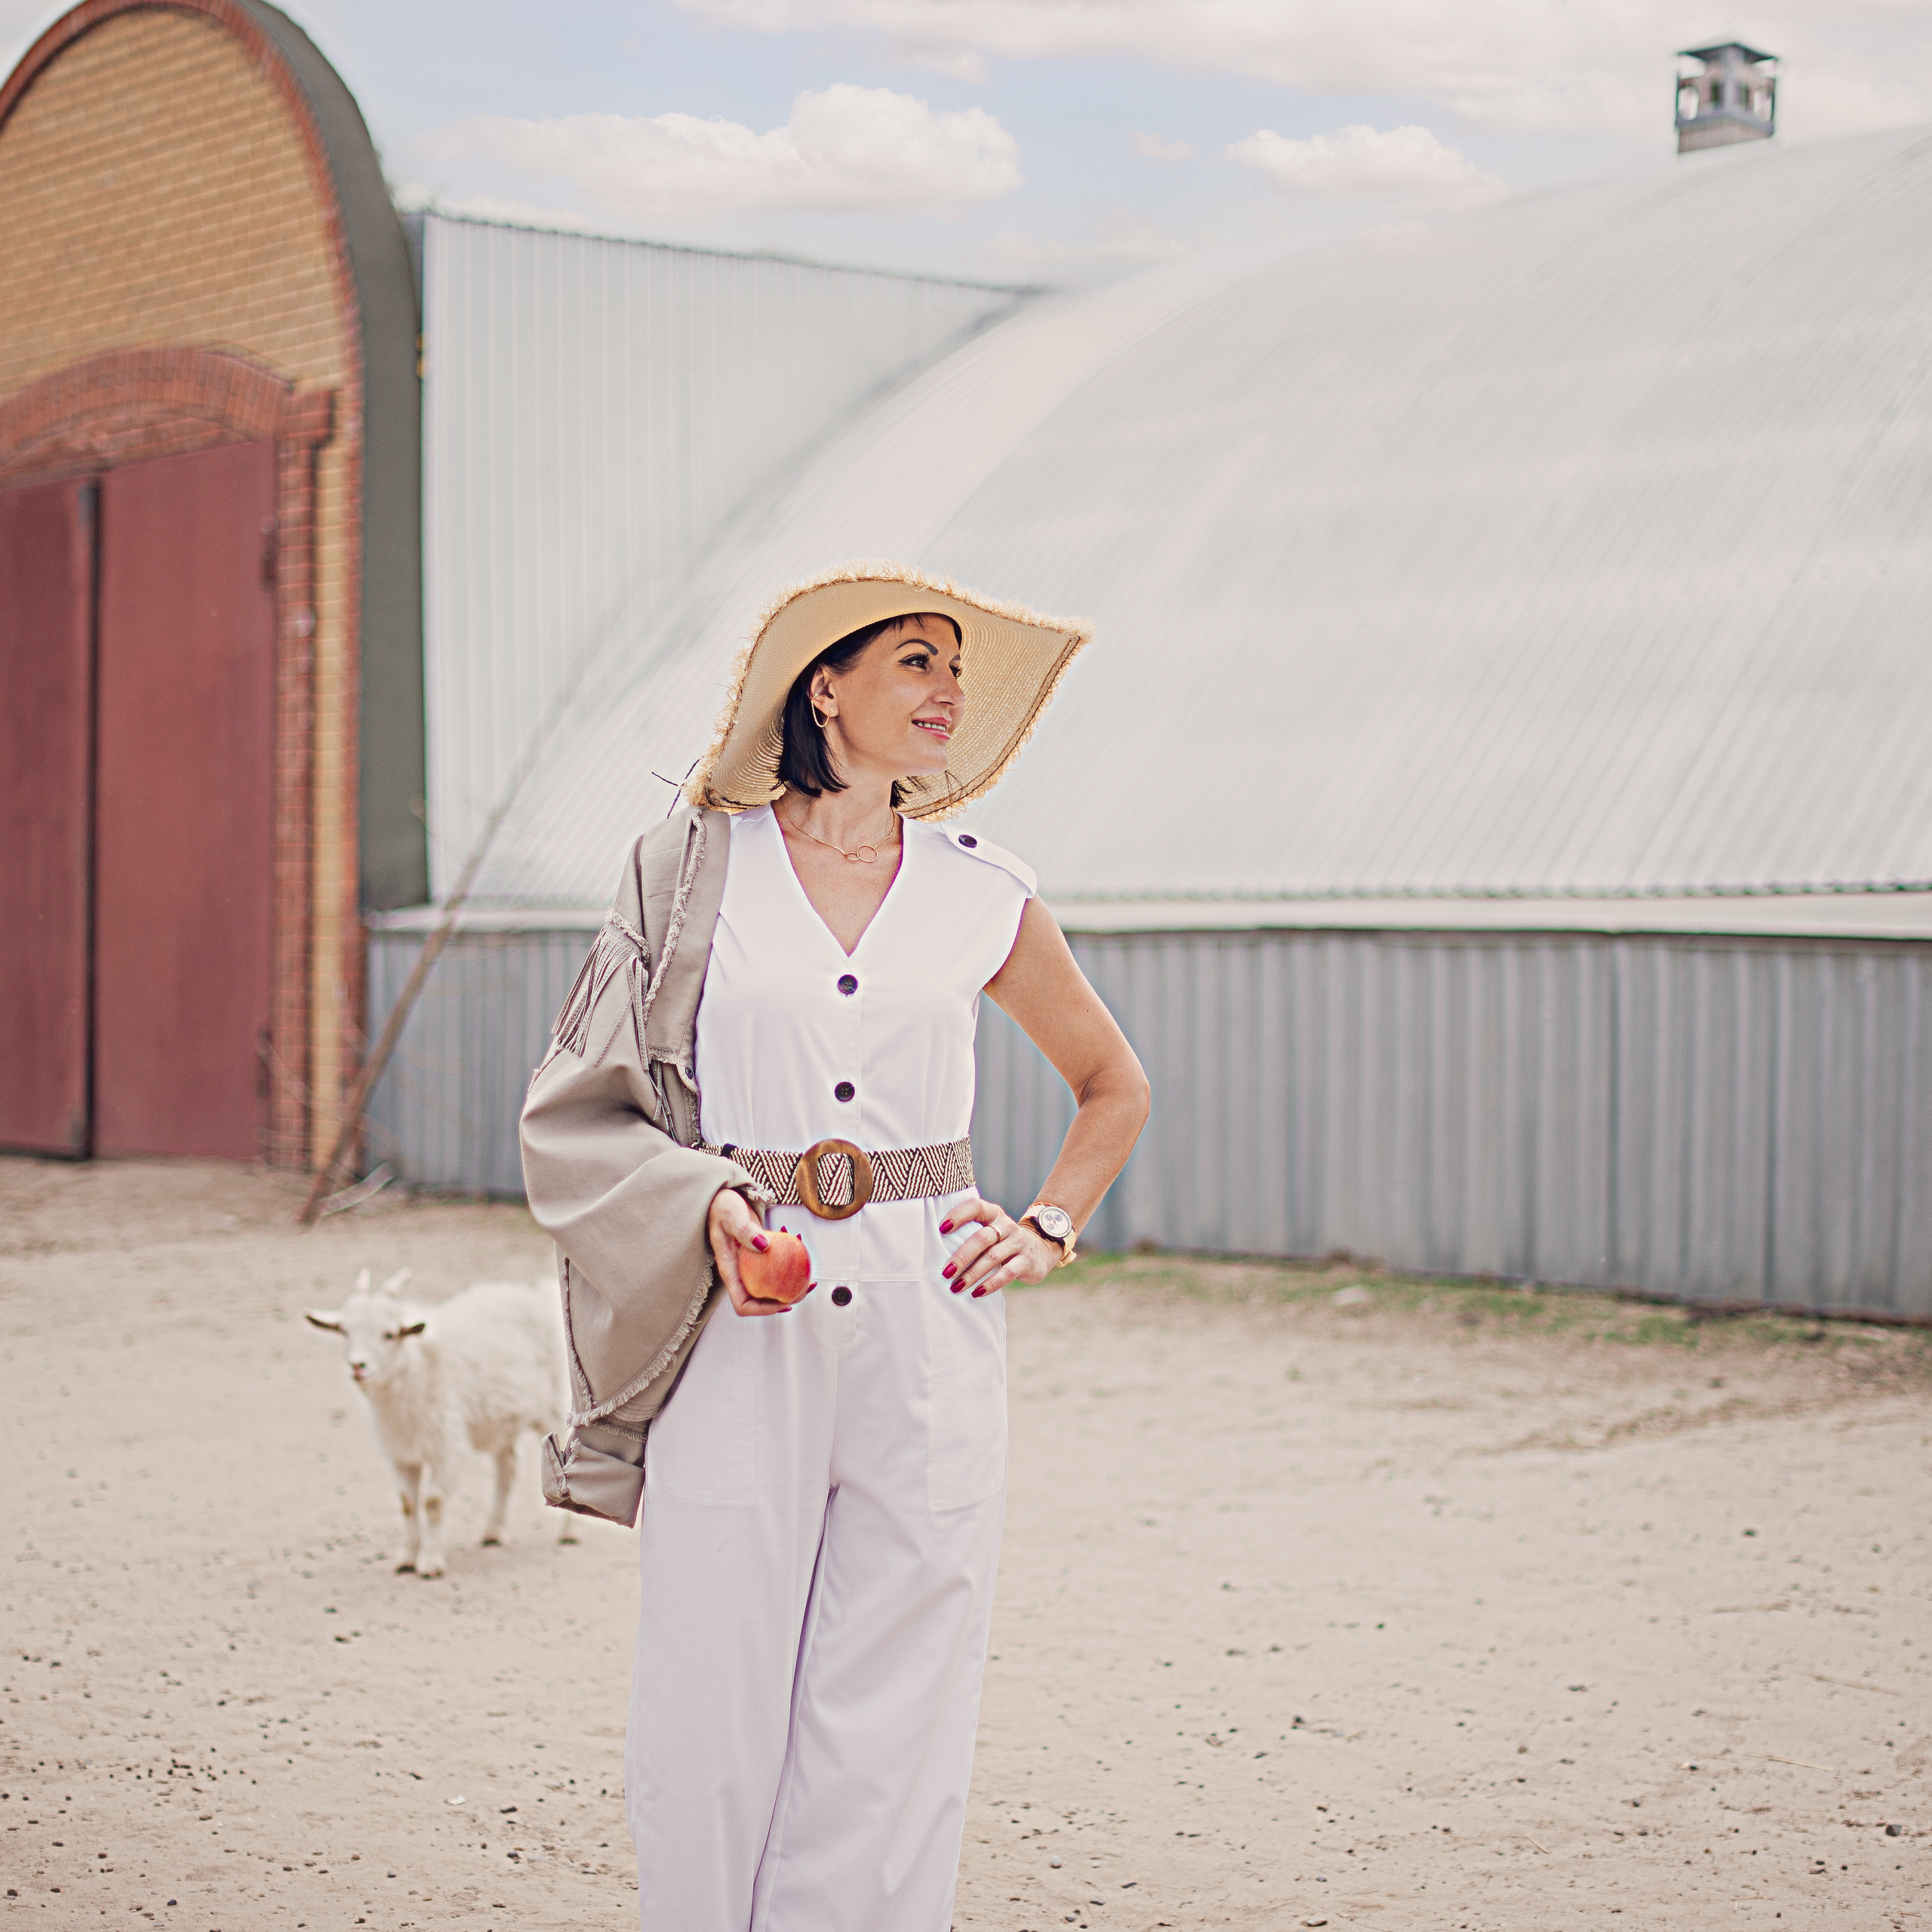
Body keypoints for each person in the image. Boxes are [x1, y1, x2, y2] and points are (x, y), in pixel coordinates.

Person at [519, 564, 1149, 1932]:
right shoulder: (687, 870)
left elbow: (1116, 1086)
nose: (948, 693)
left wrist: (1046, 1225)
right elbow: (576, 1104)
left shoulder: (985, 890)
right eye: (917, 662)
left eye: (956, 669)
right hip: (742, 1318)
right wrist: (703, 1200)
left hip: (932, 1326)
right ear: (827, 687)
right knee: (712, 1678)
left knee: (901, 1685)